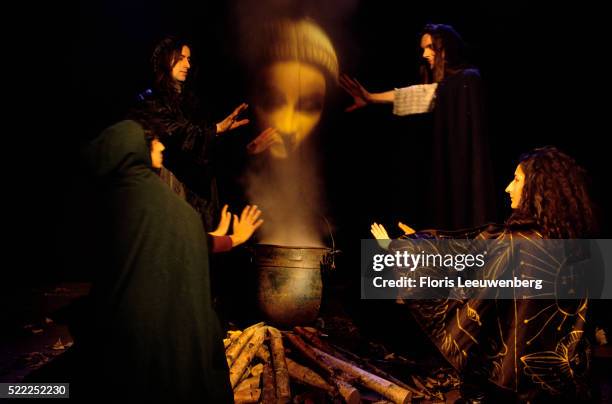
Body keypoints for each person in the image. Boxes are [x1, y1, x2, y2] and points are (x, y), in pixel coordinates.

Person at [371, 146, 599, 402]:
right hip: (566, 392)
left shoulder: (514, 245)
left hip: (511, 394)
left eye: (516, 179)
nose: (507, 188)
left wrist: (404, 250)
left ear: (539, 188)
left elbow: (465, 271)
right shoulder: (579, 249)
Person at [74, 119, 262, 403]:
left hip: (122, 354)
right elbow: (171, 238)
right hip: (177, 360)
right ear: (134, 150)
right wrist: (234, 239)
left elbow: (166, 240)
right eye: (153, 142)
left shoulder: (115, 196)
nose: (162, 145)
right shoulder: (154, 201)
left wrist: (218, 235)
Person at [344, 23, 495, 230]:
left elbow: (431, 94)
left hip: (467, 181)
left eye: (430, 47)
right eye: (423, 48)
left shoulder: (468, 80)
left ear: (446, 48)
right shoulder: (449, 88)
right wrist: (371, 98)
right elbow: (423, 94)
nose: (424, 54)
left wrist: (372, 98)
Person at [129, 35, 250, 231]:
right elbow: (179, 136)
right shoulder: (152, 100)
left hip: (200, 195)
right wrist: (216, 130)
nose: (187, 64)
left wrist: (247, 150)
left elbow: (207, 147)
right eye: (181, 58)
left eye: (189, 59)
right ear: (166, 59)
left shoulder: (193, 102)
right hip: (171, 189)